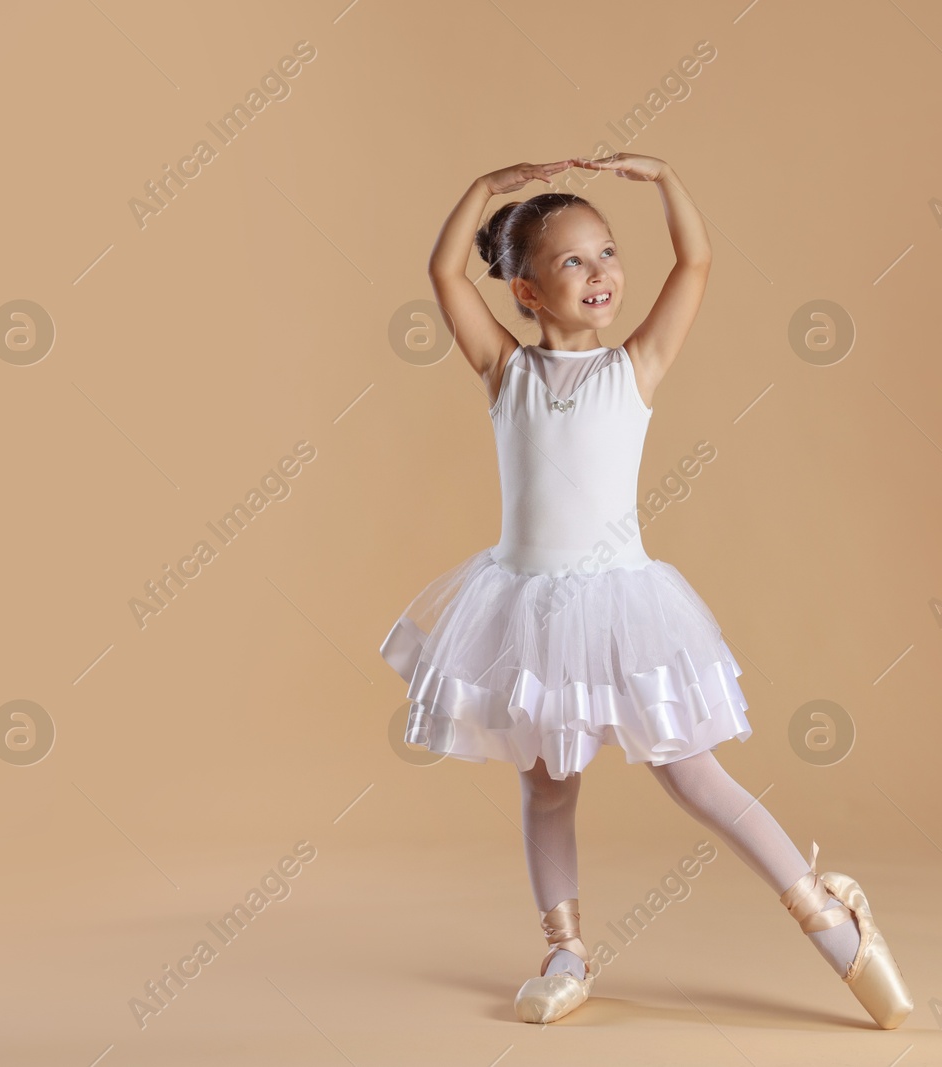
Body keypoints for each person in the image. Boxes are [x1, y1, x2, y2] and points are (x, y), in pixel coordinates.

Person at [378, 154, 913, 1028]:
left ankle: (828, 913)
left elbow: (695, 263)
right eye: (572, 261)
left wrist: (667, 182)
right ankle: (565, 949)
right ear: (523, 291)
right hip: (527, 606)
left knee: (692, 773)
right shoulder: (503, 373)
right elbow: (442, 270)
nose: (600, 274)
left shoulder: (636, 367)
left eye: (608, 253)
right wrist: (487, 184)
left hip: (622, 606)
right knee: (547, 782)